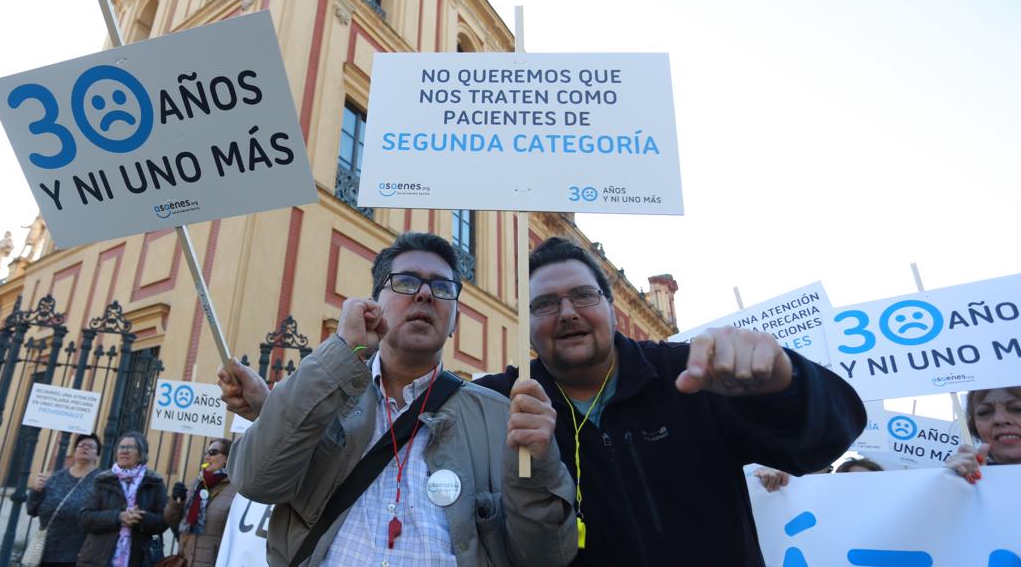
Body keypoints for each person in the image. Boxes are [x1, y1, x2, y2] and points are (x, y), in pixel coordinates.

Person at [472, 237, 866, 566]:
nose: (567, 313)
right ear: (526, 322)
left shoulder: (689, 373)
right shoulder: (499, 400)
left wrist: (786, 382)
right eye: (545, 304)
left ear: (612, 308)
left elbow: (823, 443)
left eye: (584, 296)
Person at [223, 232, 577, 567]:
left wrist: (539, 466)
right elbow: (257, 479)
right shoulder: (325, 391)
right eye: (406, 282)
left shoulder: (501, 417)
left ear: (454, 321)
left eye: (442, 287)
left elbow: (544, 556)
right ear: (374, 303)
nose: (425, 294)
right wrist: (344, 350)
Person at [77, 431, 169, 567]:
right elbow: (85, 518)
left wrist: (140, 518)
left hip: (139, 558)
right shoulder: (102, 480)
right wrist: (118, 517)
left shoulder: (154, 482)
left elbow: (163, 521)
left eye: (130, 448)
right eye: (121, 447)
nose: (124, 451)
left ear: (141, 454)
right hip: (99, 558)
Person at [26, 434, 102, 567]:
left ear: (97, 456)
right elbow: (32, 510)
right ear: (74, 452)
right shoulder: (56, 477)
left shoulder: (101, 481)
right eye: (81, 445)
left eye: (91, 446)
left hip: (77, 555)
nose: (85, 448)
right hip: (44, 552)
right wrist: (36, 491)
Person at [163, 438, 238, 566]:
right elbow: (173, 520)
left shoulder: (236, 489)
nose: (207, 456)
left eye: (213, 452)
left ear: (227, 458)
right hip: (186, 560)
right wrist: (175, 501)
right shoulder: (197, 484)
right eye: (206, 453)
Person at [946, 386, 1021, 485]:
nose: (1000, 419)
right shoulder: (961, 482)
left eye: (1017, 409)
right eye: (984, 412)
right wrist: (950, 484)